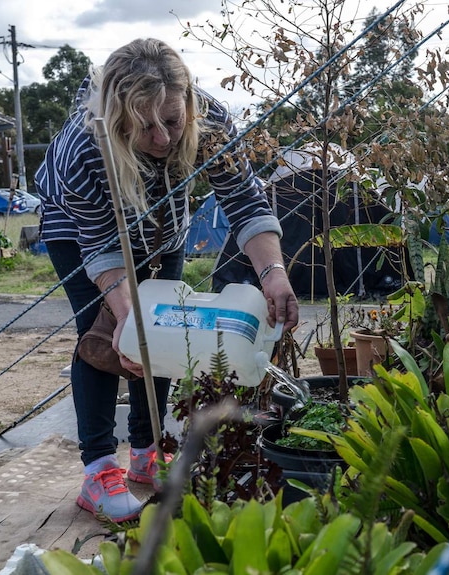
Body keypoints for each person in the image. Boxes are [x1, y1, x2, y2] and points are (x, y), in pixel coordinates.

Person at [34, 38, 299, 522]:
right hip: (79, 234)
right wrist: (126, 317)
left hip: (162, 225)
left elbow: (244, 202)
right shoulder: (83, 148)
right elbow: (102, 248)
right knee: (106, 342)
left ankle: (145, 450)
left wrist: (273, 274)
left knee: (164, 333)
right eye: (143, 127)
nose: (161, 138)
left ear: (189, 105)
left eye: (172, 122)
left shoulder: (212, 121)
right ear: (118, 119)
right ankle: (97, 470)